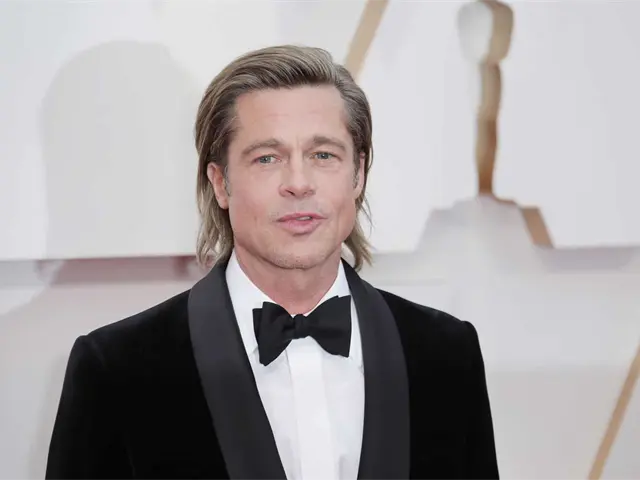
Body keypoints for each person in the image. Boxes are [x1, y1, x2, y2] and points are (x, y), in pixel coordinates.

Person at [45, 45, 500, 480]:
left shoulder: (446, 353)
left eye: (323, 155)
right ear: (220, 183)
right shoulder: (117, 369)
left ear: (358, 174)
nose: (298, 183)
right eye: (267, 158)